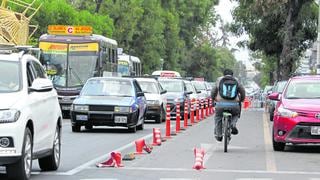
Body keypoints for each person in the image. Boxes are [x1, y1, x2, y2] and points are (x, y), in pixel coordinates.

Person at [211, 69, 246, 142]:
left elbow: (213, 91)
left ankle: (219, 134)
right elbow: (242, 91)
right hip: (234, 105)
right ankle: (233, 124)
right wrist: (241, 99)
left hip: (220, 104)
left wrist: (213, 98)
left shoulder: (219, 80)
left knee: (218, 117)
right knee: (236, 114)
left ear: (223, 74)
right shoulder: (236, 80)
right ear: (232, 75)